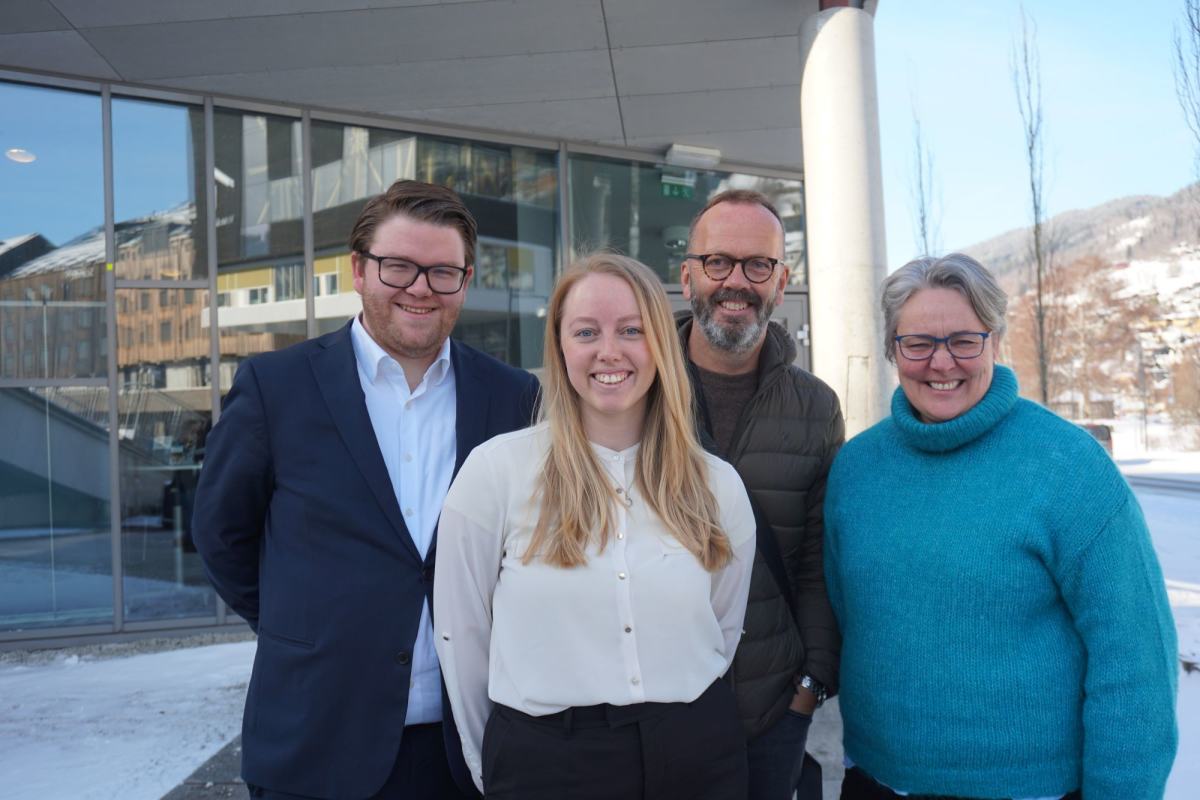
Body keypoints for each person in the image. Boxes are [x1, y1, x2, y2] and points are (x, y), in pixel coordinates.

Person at [192, 180, 539, 799]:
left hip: (469, 748)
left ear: (465, 279)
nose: (420, 288)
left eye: (442, 272)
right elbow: (222, 535)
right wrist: (303, 626)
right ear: (357, 269)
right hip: (316, 738)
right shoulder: (276, 387)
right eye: (398, 266)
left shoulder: (512, 395)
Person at [824, 253, 1178, 800]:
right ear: (894, 349)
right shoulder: (856, 470)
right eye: (918, 343)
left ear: (995, 340)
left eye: (964, 340)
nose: (942, 363)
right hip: (875, 781)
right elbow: (852, 619)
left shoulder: (1069, 468)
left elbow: (1134, 659)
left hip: (1030, 789)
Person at [434, 253, 757, 799]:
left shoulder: (717, 484)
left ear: (659, 343)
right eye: (586, 331)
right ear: (560, 348)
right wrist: (495, 765)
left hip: (697, 757)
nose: (610, 351)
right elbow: (462, 638)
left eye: (632, 330)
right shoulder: (496, 473)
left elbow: (722, 628)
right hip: (547, 765)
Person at [678, 189, 845, 800]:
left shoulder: (817, 407)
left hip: (771, 715)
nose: (736, 282)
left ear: (782, 280)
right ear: (688, 273)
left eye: (758, 265)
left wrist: (810, 686)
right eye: (718, 262)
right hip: (651, 710)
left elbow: (818, 561)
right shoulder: (635, 389)